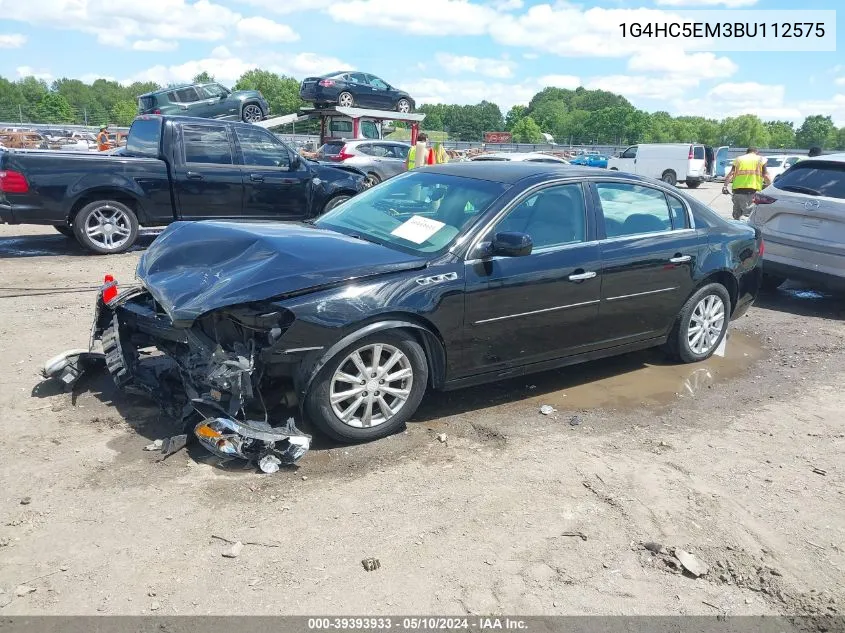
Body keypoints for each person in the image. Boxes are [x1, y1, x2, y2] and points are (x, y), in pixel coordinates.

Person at [722, 147, 770, 220]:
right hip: (752, 192)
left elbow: (731, 174)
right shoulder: (761, 159)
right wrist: (770, 186)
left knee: (737, 217)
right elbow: (766, 175)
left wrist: (725, 186)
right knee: (749, 217)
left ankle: (737, 230)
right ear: (756, 152)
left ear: (747, 152)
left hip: (737, 192)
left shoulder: (738, 159)